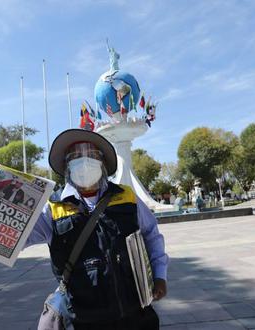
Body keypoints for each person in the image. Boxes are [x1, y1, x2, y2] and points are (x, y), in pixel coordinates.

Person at [25, 129, 168, 330]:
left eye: (91, 155)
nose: (84, 161)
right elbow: (19, 238)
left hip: (134, 313)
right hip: (82, 318)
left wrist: (160, 275)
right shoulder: (52, 209)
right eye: (75, 156)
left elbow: (151, 235)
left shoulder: (127, 197)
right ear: (67, 166)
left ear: (102, 163)